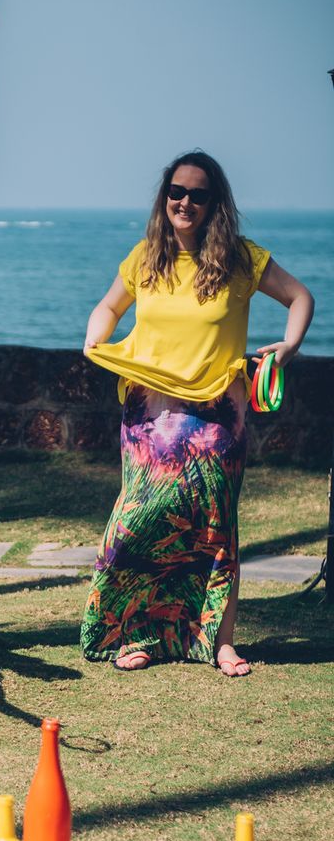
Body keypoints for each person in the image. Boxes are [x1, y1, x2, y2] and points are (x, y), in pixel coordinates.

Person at [81, 150, 314, 676]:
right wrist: (96, 333)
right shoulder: (145, 257)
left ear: (215, 204)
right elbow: (108, 307)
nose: (185, 202)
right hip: (149, 417)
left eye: (198, 194)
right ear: (166, 197)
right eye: (176, 192)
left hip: (215, 421)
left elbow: (300, 297)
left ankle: (220, 642)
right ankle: (137, 633)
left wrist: (289, 347)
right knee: (139, 523)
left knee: (214, 530)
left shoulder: (241, 259)